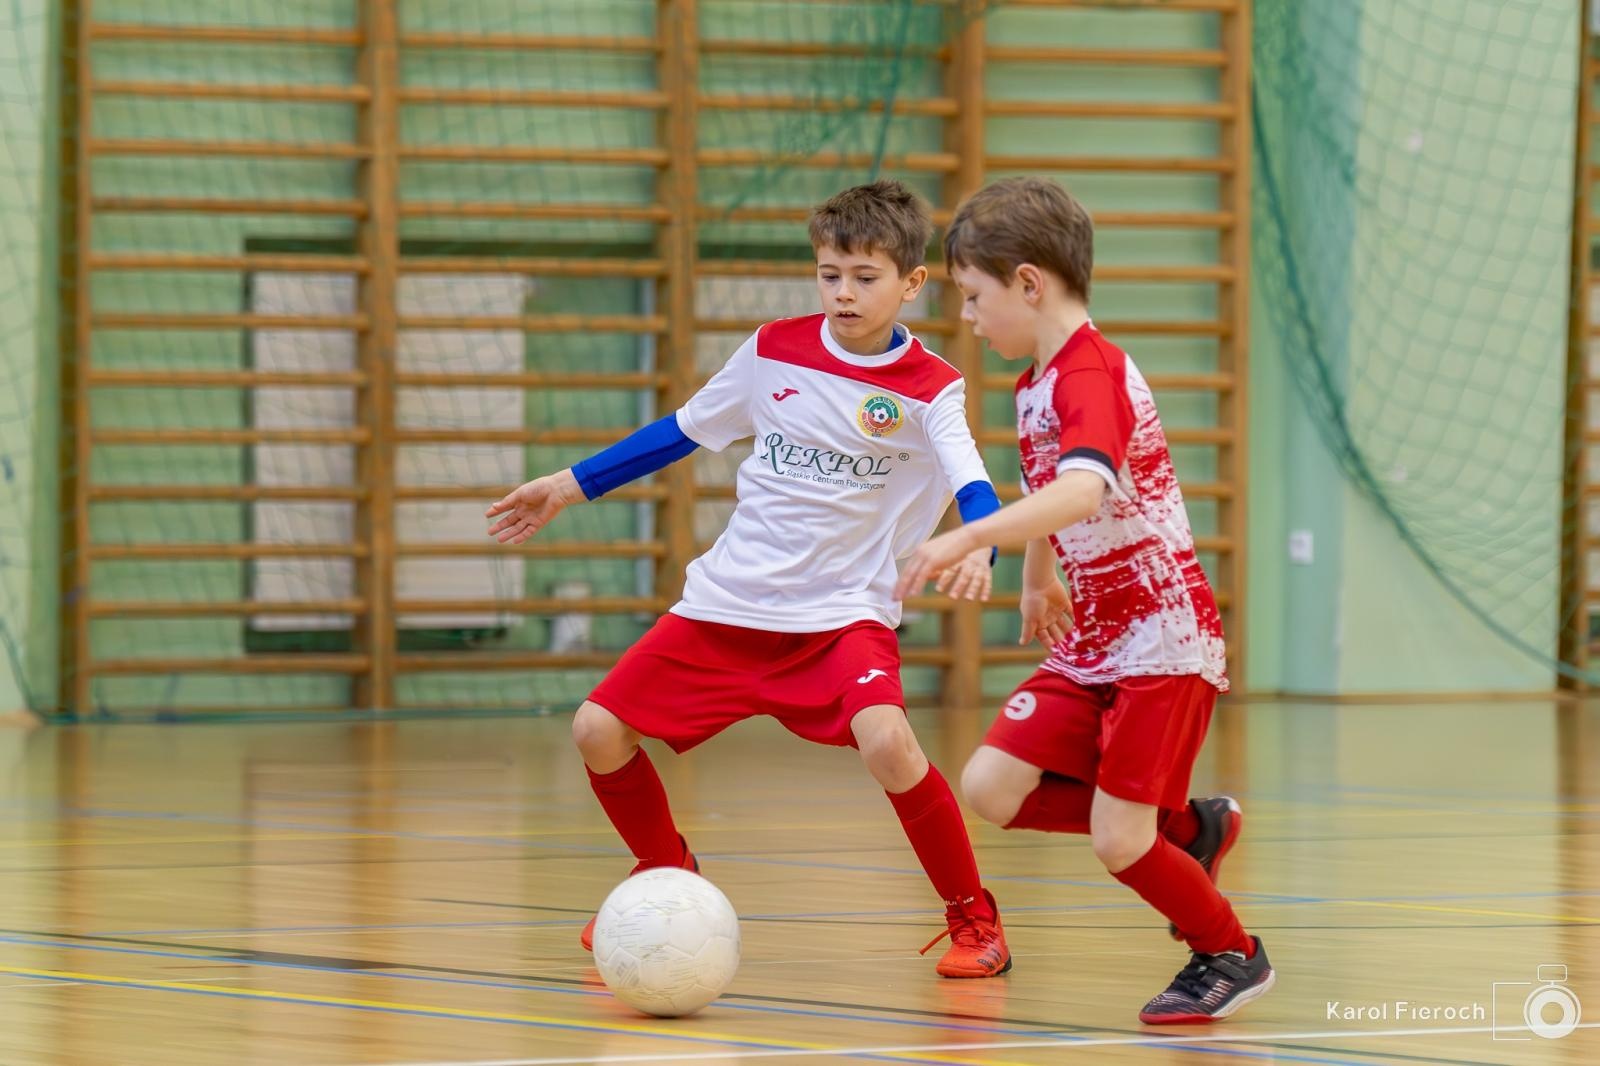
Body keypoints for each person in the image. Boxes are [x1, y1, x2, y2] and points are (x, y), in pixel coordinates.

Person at [488, 179, 1011, 977]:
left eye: (864, 278)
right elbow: (681, 431)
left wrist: (978, 543)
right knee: (596, 730)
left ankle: (975, 919)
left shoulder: (932, 388)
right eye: (829, 273)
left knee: (890, 742)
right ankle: (667, 872)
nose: (843, 292)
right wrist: (568, 484)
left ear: (912, 284)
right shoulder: (773, 350)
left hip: (840, 618)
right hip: (727, 606)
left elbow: (974, 483)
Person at [896, 176, 1274, 1020]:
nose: (967, 316)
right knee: (992, 786)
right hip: (1095, 634)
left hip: (1160, 637)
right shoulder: (1037, 380)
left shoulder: (1089, 372)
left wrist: (969, 534)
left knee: (1117, 838)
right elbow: (1054, 490)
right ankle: (1189, 834)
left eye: (973, 295)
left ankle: (1231, 953)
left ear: (1029, 283)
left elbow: (1081, 487)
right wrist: (1039, 577)